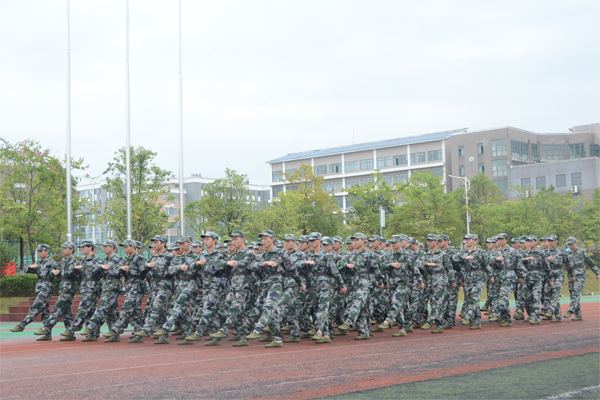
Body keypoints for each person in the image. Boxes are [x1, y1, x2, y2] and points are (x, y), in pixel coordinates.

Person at [246, 230, 306, 348]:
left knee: (269, 306)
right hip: (265, 284)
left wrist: (300, 283)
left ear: (273, 239)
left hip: (277, 283)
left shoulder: (281, 252)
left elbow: (291, 269)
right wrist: (264, 263)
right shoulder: (262, 255)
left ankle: (258, 329)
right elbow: (251, 266)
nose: (263, 241)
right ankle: (277, 339)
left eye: (266, 238)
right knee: (262, 308)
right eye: (262, 239)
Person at [208, 231, 258, 347]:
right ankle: (243, 337)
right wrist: (226, 263)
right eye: (232, 239)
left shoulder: (250, 253)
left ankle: (225, 329)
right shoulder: (232, 255)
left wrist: (256, 286)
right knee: (231, 311)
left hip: (244, 286)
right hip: (232, 286)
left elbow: (258, 268)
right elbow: (218, 266)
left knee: (235, 308)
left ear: (243, 239)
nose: (233, 241)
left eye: (236, 239)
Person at [184, 232, 229, 346]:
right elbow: (192, 269)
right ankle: (215, 336)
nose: (205, 241)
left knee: (207, 307)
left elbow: (226, 269)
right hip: (206, 286)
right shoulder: (202, 255)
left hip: (216, 286)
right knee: (213, 312)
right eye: (204, 239)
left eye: (208, 239)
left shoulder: (220, 255)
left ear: (214, 240)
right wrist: (197, 264)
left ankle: (198, 332)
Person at [338, 233, 385, 340]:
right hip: (355, 283)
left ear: (364, 241)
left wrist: (380, 282)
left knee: (358, 302)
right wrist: (346, 265)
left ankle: (349, 321)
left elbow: (376, 270)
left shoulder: (369, 255)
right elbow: (339, 264)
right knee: (363, 308)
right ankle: (365, 331)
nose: (354, 242)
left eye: (357, 240)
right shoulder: (351, 255)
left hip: (366, 283)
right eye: (353, 240)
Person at [377, 235, 424, 337]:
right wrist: (391, 264)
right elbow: (381, 266)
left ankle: (387, 320)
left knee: (396, 302)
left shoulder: (406, 255)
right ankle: (402, 329)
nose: (393, 244)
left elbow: (415, 269)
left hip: (404, 283)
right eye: (392, 243)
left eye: (395, 242)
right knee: (399, 307)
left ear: (400, 243)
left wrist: (420, 282)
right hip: (392, 284)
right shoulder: (389, 256)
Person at [103, 239, 148, 342]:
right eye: (124, 247)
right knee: (135, 311)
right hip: (129, 285)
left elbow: (144, 271)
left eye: (126, 247)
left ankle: (116, 328)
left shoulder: (139, 258)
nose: (125, 249)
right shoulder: (127, 259)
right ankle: (138, 334)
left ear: (133, 247)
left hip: (137, 286)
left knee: (127, 307)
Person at [304, 235, 346, 344]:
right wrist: (309, 286)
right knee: (319, 309)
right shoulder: (309, 256)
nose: (311, 242)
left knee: (323, 308)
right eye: (310, 241)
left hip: (326, 285)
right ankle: (326, 334)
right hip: (315, 285)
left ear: (319, 241)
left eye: (313, 240)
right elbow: (307, 273)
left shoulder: (326, 256)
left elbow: (335, 272)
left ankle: (319, 331)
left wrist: (341, 285)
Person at [132, 235, 174, 342]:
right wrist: (147, 266)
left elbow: (175, 271)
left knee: (156, 306)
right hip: (155, 286)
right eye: (154, 242)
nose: (154, 244)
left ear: (163, 244)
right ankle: (164, 337)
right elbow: (143, 270)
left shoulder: (170, 256)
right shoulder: (154, 258)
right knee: (160, 311)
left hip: (166, 285)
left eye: (156, 242)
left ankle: (146, 329)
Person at [81, 240, 125, 341]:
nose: (104, 248)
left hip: (114, 284)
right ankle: (114, 334)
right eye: (103, 246)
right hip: (106, 284)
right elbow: (94, 269)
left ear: (112, 248)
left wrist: (110, 268)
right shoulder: (104, 260)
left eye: (106, 246)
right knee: (111, 310)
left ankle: (91, 327)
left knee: (103, 305)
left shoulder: (119, 259)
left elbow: (119, 271)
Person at [10, 244, 58, 334]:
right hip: (39, 287)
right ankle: (47, 333)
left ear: (47, 251)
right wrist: (30, 267)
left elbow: (58, 272)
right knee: (45, 311)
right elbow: (26, 269)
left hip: (47, 287)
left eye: (41, 251)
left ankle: (22, 325)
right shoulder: (39, 263)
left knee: (36, 306)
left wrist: (54, 272)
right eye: (38, 251)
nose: (39, 253)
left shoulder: (52, 262)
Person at [37, 242, 80, 341]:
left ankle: (47, 327)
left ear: (71, 250)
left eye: (65, 248)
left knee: (58, 307)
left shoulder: (75, 262)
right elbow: (56, 271)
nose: (63, 250)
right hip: (62, 286)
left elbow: (78, 277)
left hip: (69, 287)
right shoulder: (62, 261)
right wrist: (53, 272)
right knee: (66, 311)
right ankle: (70, 332)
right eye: (63, 248)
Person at [64, 241, 103, 337]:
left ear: (90, 248)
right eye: (81, 247)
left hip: (93, 286)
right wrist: (76, 270)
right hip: (84, 287)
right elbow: (77, 276)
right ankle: (93, 333)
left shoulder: (97, 260)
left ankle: (73, 327)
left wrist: (85, 267)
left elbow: (100, 270)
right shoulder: (82, 261)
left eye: (84, 247)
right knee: (90, 310)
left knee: (83, 307)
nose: (82, 249)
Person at [418, 234, 456, 333]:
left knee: (437, 301)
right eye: (428, 241)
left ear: (436, 241)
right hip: (430, 280)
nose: (429, 243)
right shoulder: (426, 255)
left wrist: (452, 281)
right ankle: (439, 325)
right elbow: (417, 263)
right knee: (434, 302)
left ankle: (429, 321)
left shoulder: (443, 255)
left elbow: (449, 269)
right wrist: (426, 264)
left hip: (440, 280)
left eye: (431, 241)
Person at [564, 237, 599, 321]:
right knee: (572, 294)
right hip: (571, 275)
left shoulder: (582, 252)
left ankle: (571, 309)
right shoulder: (566, 253)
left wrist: (596, 272)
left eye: (571, 244)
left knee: (576, 292)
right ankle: (578, 315)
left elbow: (590, 262)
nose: (570, 246)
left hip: (580, 274)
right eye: (568, 244)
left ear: (576, 243)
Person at [521, 236, 550, 324]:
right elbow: (519, 263)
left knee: (536, 297)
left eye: (531, 241)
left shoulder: (541, 253)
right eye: (528, 241)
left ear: (535, 242)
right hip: (528, 278)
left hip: (538, 278)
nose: (529, 243)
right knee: (527, 298)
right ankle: (532, 315)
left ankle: (535, 316)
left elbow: (547, 266)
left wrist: (549, 279)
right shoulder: (526, 253)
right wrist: (525, 259)